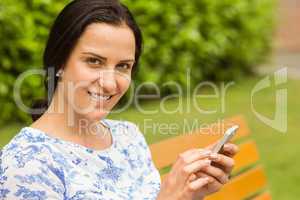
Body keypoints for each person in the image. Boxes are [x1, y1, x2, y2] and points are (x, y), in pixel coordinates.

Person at [0, 0, 238, 199]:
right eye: (94, 61)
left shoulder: (128, 137)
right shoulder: (26, 165)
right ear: (59, 62)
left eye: (123, 66)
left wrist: (190, 192)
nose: (111, 83)